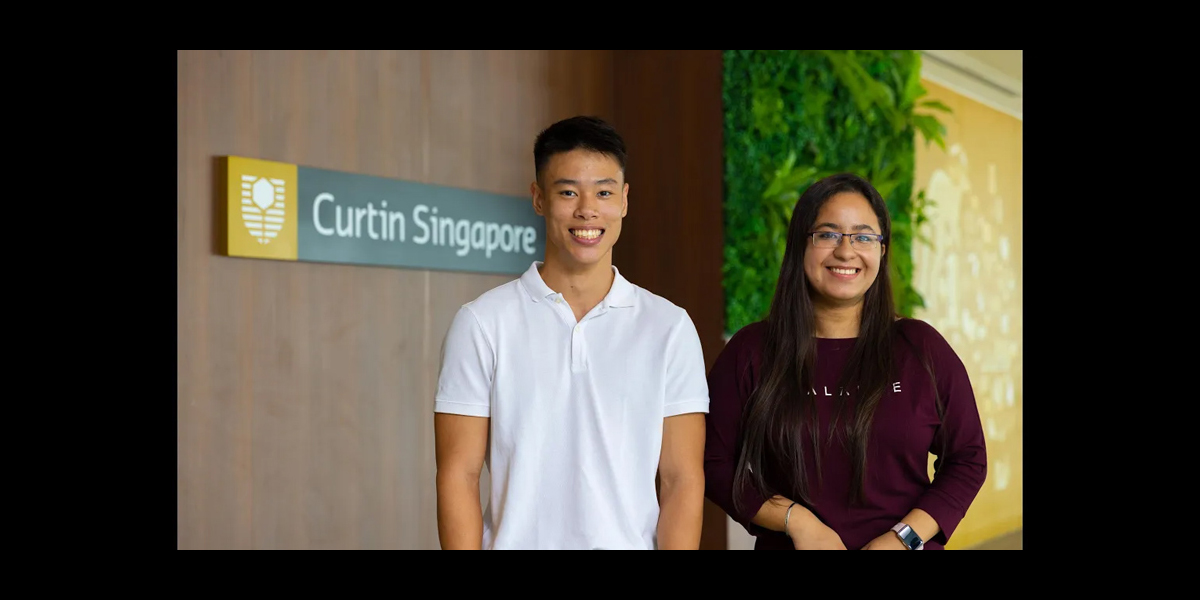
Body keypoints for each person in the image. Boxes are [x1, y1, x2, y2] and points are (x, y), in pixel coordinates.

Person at [433, 116, 709, 550]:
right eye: (567, 192)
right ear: (539, 199)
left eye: (603, 192)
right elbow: (458, 475)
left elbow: (682, 479)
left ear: (624, 200)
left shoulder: (669, 327)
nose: (587, 210)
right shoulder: (483, 323)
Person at [704, 172, 987, 550]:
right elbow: (713, 461)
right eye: (827, 234)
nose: (845, 250)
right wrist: (797, 521)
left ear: (882, 250)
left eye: (864, 236)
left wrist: (903, 539)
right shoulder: (751, 351)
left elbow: (967, 459)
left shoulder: (921, 348)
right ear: (800, 245)